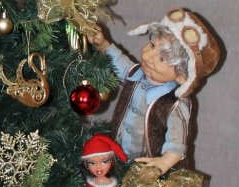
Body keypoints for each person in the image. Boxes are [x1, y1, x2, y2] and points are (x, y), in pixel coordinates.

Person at [84, 9, 221, 176]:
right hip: (118, 158)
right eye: (152, 45)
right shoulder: (136, 74)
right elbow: (119, 63)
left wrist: (164, 162)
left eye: (162, 58)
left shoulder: (175, 103)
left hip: (147, 172)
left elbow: (177, 140)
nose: (148, 56)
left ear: (182, 76)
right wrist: (103, 46)